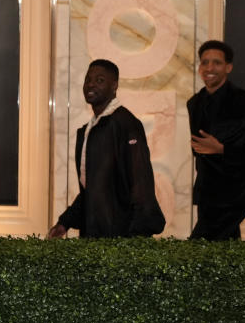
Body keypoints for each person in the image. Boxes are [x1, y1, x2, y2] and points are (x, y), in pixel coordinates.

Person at [49, 59, 165, 238]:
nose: (91, 84)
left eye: (100, 80)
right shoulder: (88, 130)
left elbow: (141, 182)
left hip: (120, 241)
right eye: (88, 79)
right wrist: (65, 222)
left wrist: (136, 237)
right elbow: (92, 189)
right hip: (94, 237)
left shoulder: (127, 124)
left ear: (115, 85)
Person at [187, 40, 245, 240]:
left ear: (228, 67)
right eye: (205, 62)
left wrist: (223, 150)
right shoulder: (194, 103)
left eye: (217, 63)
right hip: (206, 194)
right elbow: (198, 149)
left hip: (235, 194)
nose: (210, 68)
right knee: (222, 254)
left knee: (200, 248)